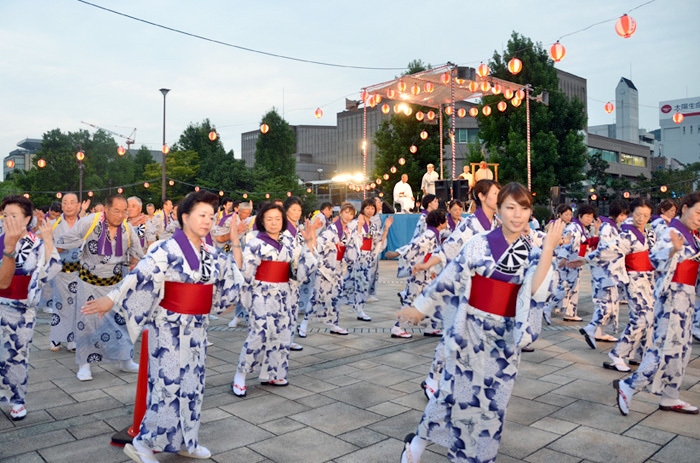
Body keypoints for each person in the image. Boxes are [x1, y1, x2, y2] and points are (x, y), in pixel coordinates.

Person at [397, 183, 564, 463]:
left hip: (505, 338)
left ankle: (476, 457)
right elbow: (450, 277)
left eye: (524, 208)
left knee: (494, 405)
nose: (517, 214)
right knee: (456, 397)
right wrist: (421, 307)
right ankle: (420, 446)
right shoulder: (479, 243)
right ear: (498, 210)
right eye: (510, 207)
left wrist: (547, 248)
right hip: (471, 332)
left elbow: (537, 290)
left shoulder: (532, 251)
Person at [82, 190, 244, 463]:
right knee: (167, 386)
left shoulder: (210, 253)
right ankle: (143, 443)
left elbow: (229, 277)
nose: (207, 221)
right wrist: (111, 299)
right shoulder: (165, 249)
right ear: (185, 217)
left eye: (211, 216)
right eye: (201, 215)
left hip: (197, 329)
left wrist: (235, 253)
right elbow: (139, 276)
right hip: (168, 328)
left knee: (193, 385)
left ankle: (185, 440)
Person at [413, 180, 501, 398]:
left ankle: (468, 381)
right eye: (495, 193)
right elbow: (448, 248)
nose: (499, 197)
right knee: (453, 335)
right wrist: (427, 264)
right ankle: (432, 378)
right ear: (481, 196)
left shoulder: (498, 223)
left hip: (486, 290)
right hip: (464, 288)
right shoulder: (470, 225)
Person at [615, 192, 700, 416]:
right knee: (664, 349)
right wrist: (674, 249)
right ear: (684, 208)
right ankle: (630, 384)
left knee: (681, 350)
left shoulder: (692, 236)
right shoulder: (671, 232)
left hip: (686, 298)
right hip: (672, 297)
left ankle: (670, 395)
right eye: (698, 212)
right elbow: (656, 258)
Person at [55, 194, 144, 381]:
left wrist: (134, 264)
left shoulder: (127, 229)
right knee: (86, 323)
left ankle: (125, 360)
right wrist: (46, 249)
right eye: (116, 211)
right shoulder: (90, 222)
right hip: (89, 283)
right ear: (106, 209)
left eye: (124, 211)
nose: (120, 215)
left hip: (115, 285)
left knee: (121, 323)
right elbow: (65, 241)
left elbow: (137, 253)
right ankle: (84, 364)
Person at [232, 203, 317, 395]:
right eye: (269, 219)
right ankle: (241, 374)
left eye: (278, 219)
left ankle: (273, 372)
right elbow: (246, 272)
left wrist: (310, 242)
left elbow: (302, 265)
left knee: (282, 332)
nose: (273, 223)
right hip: (261, 292)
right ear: (262, 221)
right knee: (260, 332)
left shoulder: (289, 241)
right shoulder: (254, 242)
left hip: (285, 292)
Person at [0, 195, 60, 421]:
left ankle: (17, 399)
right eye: (5, 216)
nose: (8, 220)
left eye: (14, 216)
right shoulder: (0, 240)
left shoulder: (36, 243)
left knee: (17, 354)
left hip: (22, 308)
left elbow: (51, 269)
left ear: (27, 219)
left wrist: (48, 241)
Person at [599, 198, 656, 372]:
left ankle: (639, 354)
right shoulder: (626, 233)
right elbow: (607, 251)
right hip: (633, 279)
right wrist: (585, 259)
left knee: (651, 317)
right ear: (632, 213)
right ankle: (618, 353)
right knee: (640, 318)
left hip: (649, 278)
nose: (641, 218)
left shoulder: (648, 233)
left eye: (646, 215)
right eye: (638, 214)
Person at [299, 203, 356, 336]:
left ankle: (333, 323)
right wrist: (333, 245)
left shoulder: (348, 231)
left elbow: (351, 248)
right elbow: (319, 244)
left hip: (338, 266)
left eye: (351, 214)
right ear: (340, 213)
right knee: (317, 295)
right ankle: (304, 324)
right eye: (346, 212)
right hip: (326, 266)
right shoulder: (331, 229)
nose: (348, 216)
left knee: (336, 295)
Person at [579, 200, 629, 348]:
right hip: (606, 271)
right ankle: (591, 328)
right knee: (606, 304)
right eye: (622, 215)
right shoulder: (608, 227)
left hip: (609, 271)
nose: (624, 218)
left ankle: (599, 331)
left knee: (609, 304)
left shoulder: (611, 226)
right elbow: (606, 250)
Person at [391, 210, 446, 339]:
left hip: (426, 273)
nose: (447, 222)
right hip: (419, 273)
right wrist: (398, 253)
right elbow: (413, 246)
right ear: (440, 222)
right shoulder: (429, 234)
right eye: (445, 220)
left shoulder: (434, 234)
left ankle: (430, 326)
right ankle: (397, 327)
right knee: (412, 300)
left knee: (431, 299)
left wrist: (432, 271)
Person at [343, 198, 393, 322]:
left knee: (363, 284)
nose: (370, 211)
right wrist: (359, 227)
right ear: (363, 209)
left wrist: (386, 228)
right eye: (368, 208)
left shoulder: (373, 225)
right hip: (356, 257)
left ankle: (359, 309)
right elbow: (349, 239)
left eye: (372, 208)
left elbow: (379, 241)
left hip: (367, 257)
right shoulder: (355, 223)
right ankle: (353, 309)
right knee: (353, 284)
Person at [550, 204, 600, 322]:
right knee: (567, 286)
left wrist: (596, 230)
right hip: (569, 261)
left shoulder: (581, 228)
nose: (589, 219)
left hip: (575, 260)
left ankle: (569, 312)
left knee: (571, 287)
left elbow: (588, 242)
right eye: (587, 216)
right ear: (580, 216)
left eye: (591, 217)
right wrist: (563, 258)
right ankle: (549, 306)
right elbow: (567, 243)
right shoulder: (574, 227)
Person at [47, 192, 84, 353]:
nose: (68, 205)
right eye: (65, 203)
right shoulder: (53, 224)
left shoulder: (85, 224)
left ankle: (73, 339)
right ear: (62, 205)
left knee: (78, 305)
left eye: (72, 203)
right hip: (60, 271)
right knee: (60, 303)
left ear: (78, 206)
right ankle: (57, 336)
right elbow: (48, 247)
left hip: (80, 272)